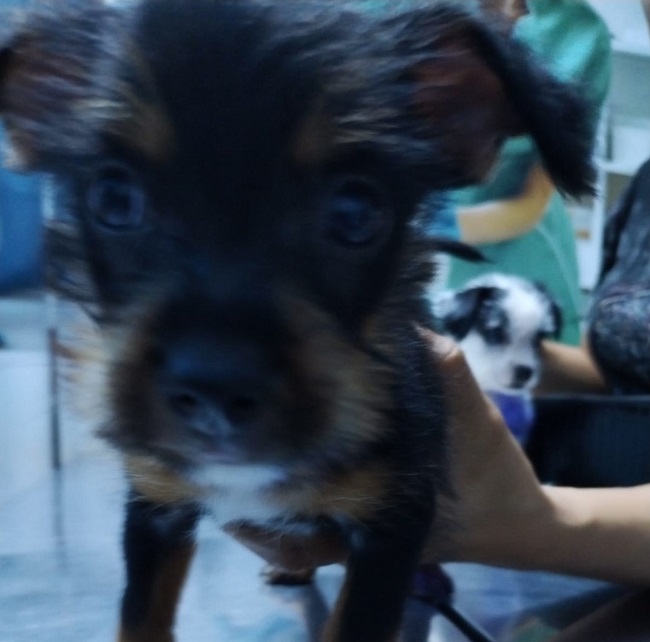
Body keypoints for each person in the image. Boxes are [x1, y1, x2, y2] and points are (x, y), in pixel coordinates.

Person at [446, 0, 612, 345]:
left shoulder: (581, 35)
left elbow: (534, 199)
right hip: (420, 253)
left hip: (525, 258)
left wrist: (439, 227)